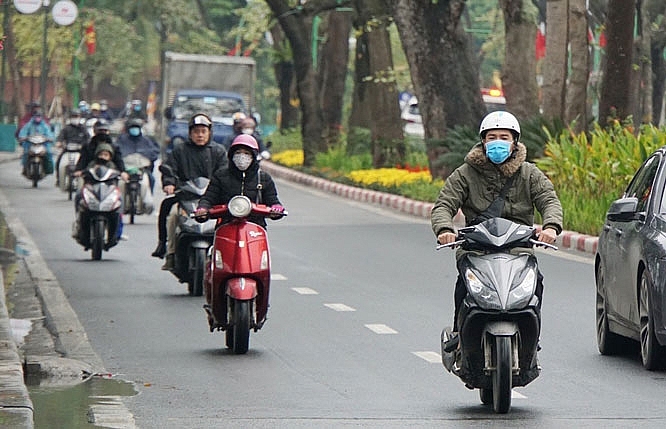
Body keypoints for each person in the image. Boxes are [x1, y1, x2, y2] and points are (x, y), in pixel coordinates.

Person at [430, 110, 562, 350]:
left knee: (536, 283)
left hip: (518, 249)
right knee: (464, 285)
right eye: (492, 137)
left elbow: (549, 200)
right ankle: (459, 336)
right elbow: (444, 205)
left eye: (504, 137)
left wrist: (551, 227)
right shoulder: (465, 173)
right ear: (483, 141)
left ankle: (533, 339)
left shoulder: (529, 173)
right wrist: (444, 229)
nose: (498, 142)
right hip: (477, 249)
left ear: (514, 142)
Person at [151, 113, 228, 269]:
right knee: (171, 214)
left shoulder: (218, 151)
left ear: (209, 133)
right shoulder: (180, 150)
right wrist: (169, 183)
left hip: (211, 199)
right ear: (190, 133)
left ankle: (226, 255)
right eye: (196, 131)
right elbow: (169, 169)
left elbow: (225, 173)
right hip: (185, 196)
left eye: (203, 131)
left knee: (228, 219)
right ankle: (169, 252)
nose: (200, 135)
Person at [194, 134, 284, 228]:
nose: (242, 157)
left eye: (246, 153)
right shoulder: (220, 176)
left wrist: (276, 208)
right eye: (238, 153)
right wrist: (203, 209)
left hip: (255, 228)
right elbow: (209, 198)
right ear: (231, 155)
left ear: (253, 157)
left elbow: (272, 199)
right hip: (226, 225)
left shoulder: (263, 178)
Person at [116, 118, 160, 196]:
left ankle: (149, 198)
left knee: (151, 179)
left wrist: (148, 158)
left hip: (142, 169)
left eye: (136, 127)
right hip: (126, 169)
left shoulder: (146, 141)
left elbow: (154, 151)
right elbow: (117, 151)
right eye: (132, 128)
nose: (134, 130)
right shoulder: (122, 140)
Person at [55, 109, 89, 187]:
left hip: (80, 151)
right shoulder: (66, 128)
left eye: (77, 116)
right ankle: (59, 179)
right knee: (59, 162)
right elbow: (60, 137)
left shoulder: (83, 128)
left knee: (86, 163)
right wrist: (59, 142)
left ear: (80, 117)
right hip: (67, 150)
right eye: (73, 116)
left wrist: (85, 145)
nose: (75, 118)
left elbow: (88, 138)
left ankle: (86, 180)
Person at [17, 107, 55, 176]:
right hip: (30, 144)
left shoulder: (44, 125)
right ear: (34, 116)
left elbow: (49, 133)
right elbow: (23, 131)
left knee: (49, 153)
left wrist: (49, 138)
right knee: (25, 153)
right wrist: (23, 137)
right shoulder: (29, 124)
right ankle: (25, 168)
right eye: (36, 116)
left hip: (43, 144)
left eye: (39, 116)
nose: (38, 118)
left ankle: (48, 169)